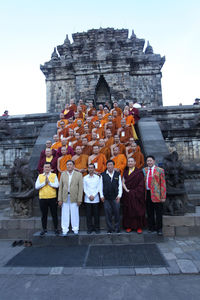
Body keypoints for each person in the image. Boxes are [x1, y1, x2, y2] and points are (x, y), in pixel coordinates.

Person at [143, 155, 166, 235]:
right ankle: (151, 227)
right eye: (148, 161)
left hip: (157, 194)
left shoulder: (160, 170)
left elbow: (163, 184)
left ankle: (159, 229)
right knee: (150, 212)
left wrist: (163, 196)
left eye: (150, 160)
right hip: (147, 193)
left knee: (158, 213)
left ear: (154, 161)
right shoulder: (144, 170)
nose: (149, 162)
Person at [58, 160, 83, 235]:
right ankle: (65, 229)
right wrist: (60, 199)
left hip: (74, 197)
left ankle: (75, 228)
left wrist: (79, 199)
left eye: (70, 164)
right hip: (65, 196)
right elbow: (61, 187)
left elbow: (81, 188)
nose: (69, 166)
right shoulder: (63, 174)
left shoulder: (78, 174)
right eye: (67, 164)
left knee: (74, 213)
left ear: (73, 166)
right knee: (65, 214)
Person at [35, 163, 59, 236]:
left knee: (54, 214)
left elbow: (57, 185)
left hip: (52, 197)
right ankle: (44, 229)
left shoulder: (54, 175)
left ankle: (56, 229)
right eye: (45, 167)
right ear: (43, 168)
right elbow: (36, 186)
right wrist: (44, 183)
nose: (47, 168)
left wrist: (50, 183)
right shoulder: (40, 176)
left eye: (48, 167)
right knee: (44, 215)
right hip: (43, 198)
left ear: (51, 168)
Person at [122, 157, 145, 234]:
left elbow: (141, 185)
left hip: (136, 195)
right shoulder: (125, 172)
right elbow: (123, 182)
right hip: (127, 194)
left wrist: (133, 192)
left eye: (132, 161)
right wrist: (127, 190)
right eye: (129, 161)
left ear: (135, 163)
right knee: (128, 210)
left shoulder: (139, 172)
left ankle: (139, 227)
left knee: (137, 210)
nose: (130, 163)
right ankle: (129, 226)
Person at [100, 160, 122, 233]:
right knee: (108, 213)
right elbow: (100, 186)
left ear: (113, 166)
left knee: (117, 213)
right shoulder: (103, 174)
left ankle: (117, 228)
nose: (110, 166)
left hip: (115, 197)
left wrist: (119, 196)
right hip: (106, 198)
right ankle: (109, 229)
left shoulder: (117, 174)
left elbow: (120, 186)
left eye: (111, 165)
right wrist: (101, 195)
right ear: (106, 166)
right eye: (108, 165)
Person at [83, 163, 101, 234]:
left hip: (96, 199)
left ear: (94, 169)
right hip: (87, 199)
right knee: (88, 215)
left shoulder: (97, 177)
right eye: (89, 168)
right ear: (88, 169)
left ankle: (97, 228)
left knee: (96, 215)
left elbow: (99, 187)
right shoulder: (85, 178)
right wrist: (89, 195)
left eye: (92, 168)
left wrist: (93, 195)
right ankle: (89, 228)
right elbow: (84, 188)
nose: (90, 169)